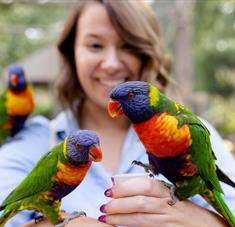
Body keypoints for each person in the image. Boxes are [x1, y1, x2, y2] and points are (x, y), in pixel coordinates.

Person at [0, 0, 234, 226]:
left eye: (128, 45)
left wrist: (202, 222)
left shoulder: (192, 131)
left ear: (146, 53)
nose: (111, 63)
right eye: (95, 45)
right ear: (71, 52)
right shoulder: (30, 144)